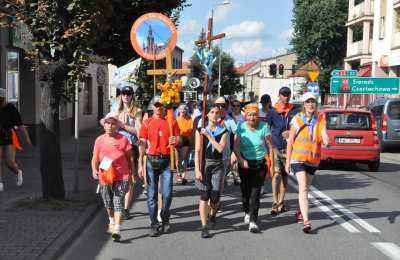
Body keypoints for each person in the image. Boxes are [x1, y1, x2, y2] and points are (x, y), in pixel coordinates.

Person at [285, 93, 329, 233]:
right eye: (308, 102)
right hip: (298, 159)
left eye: (313, 102)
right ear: (303, 104)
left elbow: (324, 134)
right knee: (303, 187)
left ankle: (300, 211)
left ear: (316, 104)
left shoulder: (320, 120)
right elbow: (290, 141)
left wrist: (326, 140)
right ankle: (306, 221)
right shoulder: (297, 119)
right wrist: (287, 162)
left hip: (313, 160)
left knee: (306, 188)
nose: (310, 104)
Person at [138, 96, 180, 237]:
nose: (159, 107)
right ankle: (154, 224)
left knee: (167, 194)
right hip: (151, 160)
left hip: (167, 161)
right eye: (156, 105)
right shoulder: (147, 122)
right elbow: (143, 142)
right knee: (151, 195)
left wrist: (176, 139)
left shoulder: (171, 121)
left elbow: (179, 137)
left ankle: (164, 216)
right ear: (152, 107)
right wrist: (140, 161)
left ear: (164, 107)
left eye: (161, 105)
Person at [234, 103, 274, 233]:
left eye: (255, 115)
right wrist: (241, 160)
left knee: (255, 193)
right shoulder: (241, 127)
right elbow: (236, 146)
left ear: (258, 116)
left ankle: (253, 221)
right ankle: (246, 211)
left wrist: (271, 163)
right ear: (245, 116)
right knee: (245, 191)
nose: (252, 118)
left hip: (260, 163)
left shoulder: (264, 127)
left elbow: (270, 146)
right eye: (250, 115)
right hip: (245, 162)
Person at [91, 115, 132, 242]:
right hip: (105, 175)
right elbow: (95, 158)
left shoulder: (123, 139)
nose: (109, 126)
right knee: (107, 200)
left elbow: (129, 157)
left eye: (112, 124)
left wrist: (132, 173)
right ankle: (111, 221)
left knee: (118, 200)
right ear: (104, 126)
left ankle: (117, 229)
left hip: (122, 175)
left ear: (116, 126)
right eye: (107, 123)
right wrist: (94, 169)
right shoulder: (99, 140)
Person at [194, 104, 228, 238]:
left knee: (214, 197)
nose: (215, 115)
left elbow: (220, 149)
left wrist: (208, 136)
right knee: (204, 195)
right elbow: (197, 151)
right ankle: (204, 225)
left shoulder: (223, 131)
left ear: (220, 116)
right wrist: (197, 169)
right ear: (207, 115)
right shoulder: (199, 130)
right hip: (204, 164)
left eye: (217, 113)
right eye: (212, 112)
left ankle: (213, 214)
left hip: (217, 165)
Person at [109, 85, 142, 220]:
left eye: (128, 93)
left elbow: (139, 132)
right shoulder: (115, 108)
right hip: (115, 146)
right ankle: (116, 203)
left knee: (129, 179)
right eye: (124, 93)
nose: (126, 96)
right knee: (114, 177)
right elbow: (106, 124)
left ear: (132, 95)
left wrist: (124, 125)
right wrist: (115, 120)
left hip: (130, 147)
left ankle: (126, 208)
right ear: (121, 95)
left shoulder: (137, 111)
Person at [268, 86, 299, 215]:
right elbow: (267, 130)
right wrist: (268, 148)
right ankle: (274, 202)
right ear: (279, 95)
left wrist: (291, 132)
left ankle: (281, 202)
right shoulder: (273, 111)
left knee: (285, 175)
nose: (286, 97)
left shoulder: (294, 110)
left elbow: (299, 127)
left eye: (288, 94)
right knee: (276, 175)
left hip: (289, 148)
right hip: (275, 146)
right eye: (284, 94)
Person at [0, 88, 32, 191]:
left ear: (4, 98)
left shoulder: (10, 108)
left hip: (9, 136)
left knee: (9, 162)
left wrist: (27, 138)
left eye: (1, 98)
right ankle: (0, 182)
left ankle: (18, 172)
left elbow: (20, 124)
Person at [214, 97, 237, 213]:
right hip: (209, 156)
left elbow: (238, 134)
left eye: (223, 106)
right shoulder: (209, 118)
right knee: (210, 181)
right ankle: (211, 200)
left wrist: (235, 152)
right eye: (218, 105)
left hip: (224, 155)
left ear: (227, 107)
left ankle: (216, 201)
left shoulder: (229, 120)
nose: (220, 108)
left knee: (221, 181)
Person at [175, 104, 193, 185]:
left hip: (186, 139)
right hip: (178, 139)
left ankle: (183, 176)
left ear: (186, 110)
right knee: (178, 159)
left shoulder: (189, 119)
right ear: (179, 110)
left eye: (184, 109)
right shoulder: (176, 120)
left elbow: (191, 129)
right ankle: (178, 174)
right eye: (181, 109)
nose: (182, 111)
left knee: (184, 158)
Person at [228, 100, 244, 185]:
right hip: (230, 139)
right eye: (234, 105)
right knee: (231, 160)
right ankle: (234, 175)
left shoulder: (243, 116)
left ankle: (235, 175)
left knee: (235, 159)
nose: (236, 107)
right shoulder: (229, 116)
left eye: (238, 106)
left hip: (241, 139)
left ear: (240, 107)